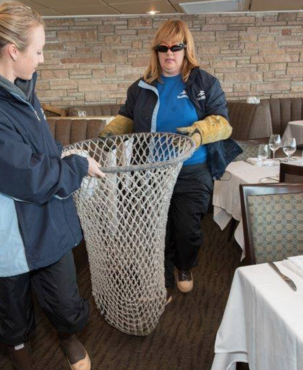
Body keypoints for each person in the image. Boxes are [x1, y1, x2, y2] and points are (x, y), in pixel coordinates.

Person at [0, 2, 104, 370]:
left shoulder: (24, 92)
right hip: (7, 232)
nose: (41, 59)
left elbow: (40, 152)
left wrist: (62, 156)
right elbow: (29, 177)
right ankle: (22, 364)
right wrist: (78, 165)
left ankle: (68, 337)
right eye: (37, 51)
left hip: (44, 221)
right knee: (14, 314)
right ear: (13, 51)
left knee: (66, 302)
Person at [99, 20, 239, 302]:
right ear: (156, 51)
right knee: (154, 229)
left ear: (186, 49)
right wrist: (108, 134)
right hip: (150, 173)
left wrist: (200, 134)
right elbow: (127, 118)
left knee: (187, 229)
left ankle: (183, 266)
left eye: (176, 47)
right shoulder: (141, 87)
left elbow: (223, 123)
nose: (169, 53)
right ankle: (160, 281)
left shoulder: (205, 83)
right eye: (163, 48)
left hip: (191, 170)